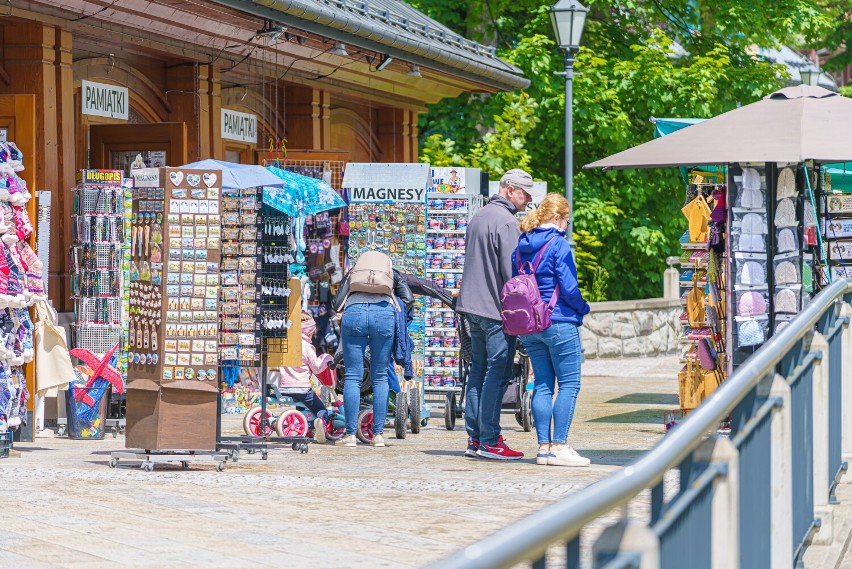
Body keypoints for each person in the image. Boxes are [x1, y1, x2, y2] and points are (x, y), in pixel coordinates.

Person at [456, 168, 541, 460]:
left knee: (478, 370)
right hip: (493, 309)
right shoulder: (507, 222)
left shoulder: (478, 216)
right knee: (499, 370)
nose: (529, 199)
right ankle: (490, 439)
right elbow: (513, 275)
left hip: (471, 306)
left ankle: (474, 438)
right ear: (508, 189)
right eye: (524, 193)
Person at [512, 193, 591, 467]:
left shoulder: (522, 245)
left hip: (530, 324)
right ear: (557, 218)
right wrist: (583, 308)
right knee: (569, 383)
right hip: (558, 321)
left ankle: (543, 448)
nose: (567, 225)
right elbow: (569, 288)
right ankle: (560, 445)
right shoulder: (559, 245)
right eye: (566, 220)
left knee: (543, 384)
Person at [332, 259, 413, 448]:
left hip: (354, 313)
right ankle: (377, 435)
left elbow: (337, 303)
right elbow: (408, 299)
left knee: (352, 376)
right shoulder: (392, 273)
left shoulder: (354, 272)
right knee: (380, 377)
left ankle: (350, 435)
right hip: (384, 314)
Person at [278, 312, 334, 443]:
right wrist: (326, 359)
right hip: (302, 388)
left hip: (284, 387)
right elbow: (316, 368)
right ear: (309, 332)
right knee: (320, 409)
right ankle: (321, 422)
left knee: (302, 405)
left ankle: (306, 425)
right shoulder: (308, 347)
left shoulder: (286, 343)